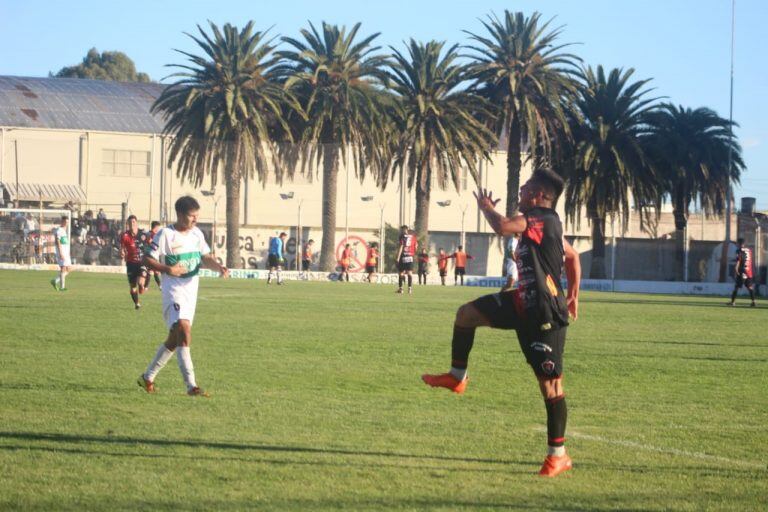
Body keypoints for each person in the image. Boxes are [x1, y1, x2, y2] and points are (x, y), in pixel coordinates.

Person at [421, 168, 581, 478]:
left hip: (544, 315)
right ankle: (457, 377)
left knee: (550, 386)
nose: (519, 194)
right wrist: (574, 294)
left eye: (524, 190)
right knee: (465, 315)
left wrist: (487, 208)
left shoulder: (542, 219)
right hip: (521, 303)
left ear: (537, 197)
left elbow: (504, 226)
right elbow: (572, 257)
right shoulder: (543, 227)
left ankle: (558, 456)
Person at [137, 195, 228, 397]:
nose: (195, 220)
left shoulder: (196, 234)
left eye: (197, 216)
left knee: (174, 338)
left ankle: (147, 377)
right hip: (173, 291)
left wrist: (218, 267)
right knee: (184, 330)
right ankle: (191, 386)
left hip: (191, 292)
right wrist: (168, 269)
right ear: (180, 214)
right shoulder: (165, 235)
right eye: (192, 216)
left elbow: (205, 257)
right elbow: (146, 258)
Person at [120, 215, 148, 309]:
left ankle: (142, 286)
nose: (132, 224)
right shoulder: (125, 236)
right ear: (127, 224)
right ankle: (137, 303)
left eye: (133, 222)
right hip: (131, 263)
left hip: (142, 262)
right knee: (132, 286)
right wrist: (122, 253)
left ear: (136, 223)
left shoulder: (143, 234)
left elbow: (151, 243)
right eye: (130, 222)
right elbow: (122, 248)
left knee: (140, 283)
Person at [730, 238, 757, 307]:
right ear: (744, 244)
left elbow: (739, 260)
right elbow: (748, 260)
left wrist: (736, 269)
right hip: (749, 272)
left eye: (737, 243)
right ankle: (753, 302)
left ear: (738, 243)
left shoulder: (738, 250)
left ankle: (732, 302)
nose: (736, 244)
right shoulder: (749, 250)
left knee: (737, 287)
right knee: (750, 287)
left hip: (742, 271)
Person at [50, 216, 73, 291]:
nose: (66, 223)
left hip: (66, 252)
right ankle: (62, 287)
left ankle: (55, 281)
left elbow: (65, 242)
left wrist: (68, 252)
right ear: (62, 222)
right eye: (65, 222)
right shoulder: (59, 230)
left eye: (67, 222)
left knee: (69, 269)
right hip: (61, 252)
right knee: (63, 269)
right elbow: (58, 242)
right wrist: (61, 253)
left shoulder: (64, 230)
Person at [395, 225, 417, 294]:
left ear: (404, 230)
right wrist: (413, 253)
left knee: (401, 273)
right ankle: (409, 289)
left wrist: (398, 257)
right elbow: (416, 246)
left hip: (403, 256)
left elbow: (401, 246)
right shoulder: (413, 237)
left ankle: (401, 289)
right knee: (409, 273)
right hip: (410, 256)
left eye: (402, 230)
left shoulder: (402, 237)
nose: (401, 231)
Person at [145, 221, 162, 289]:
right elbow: (149, 242)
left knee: (153, 271)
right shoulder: (152, 234)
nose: (159, 229)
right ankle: (159, 285)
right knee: (154, 271)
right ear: (155, 228)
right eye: (158, 228)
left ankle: (146, 286)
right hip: (152, 254)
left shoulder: (150, 233)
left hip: (151, 254)